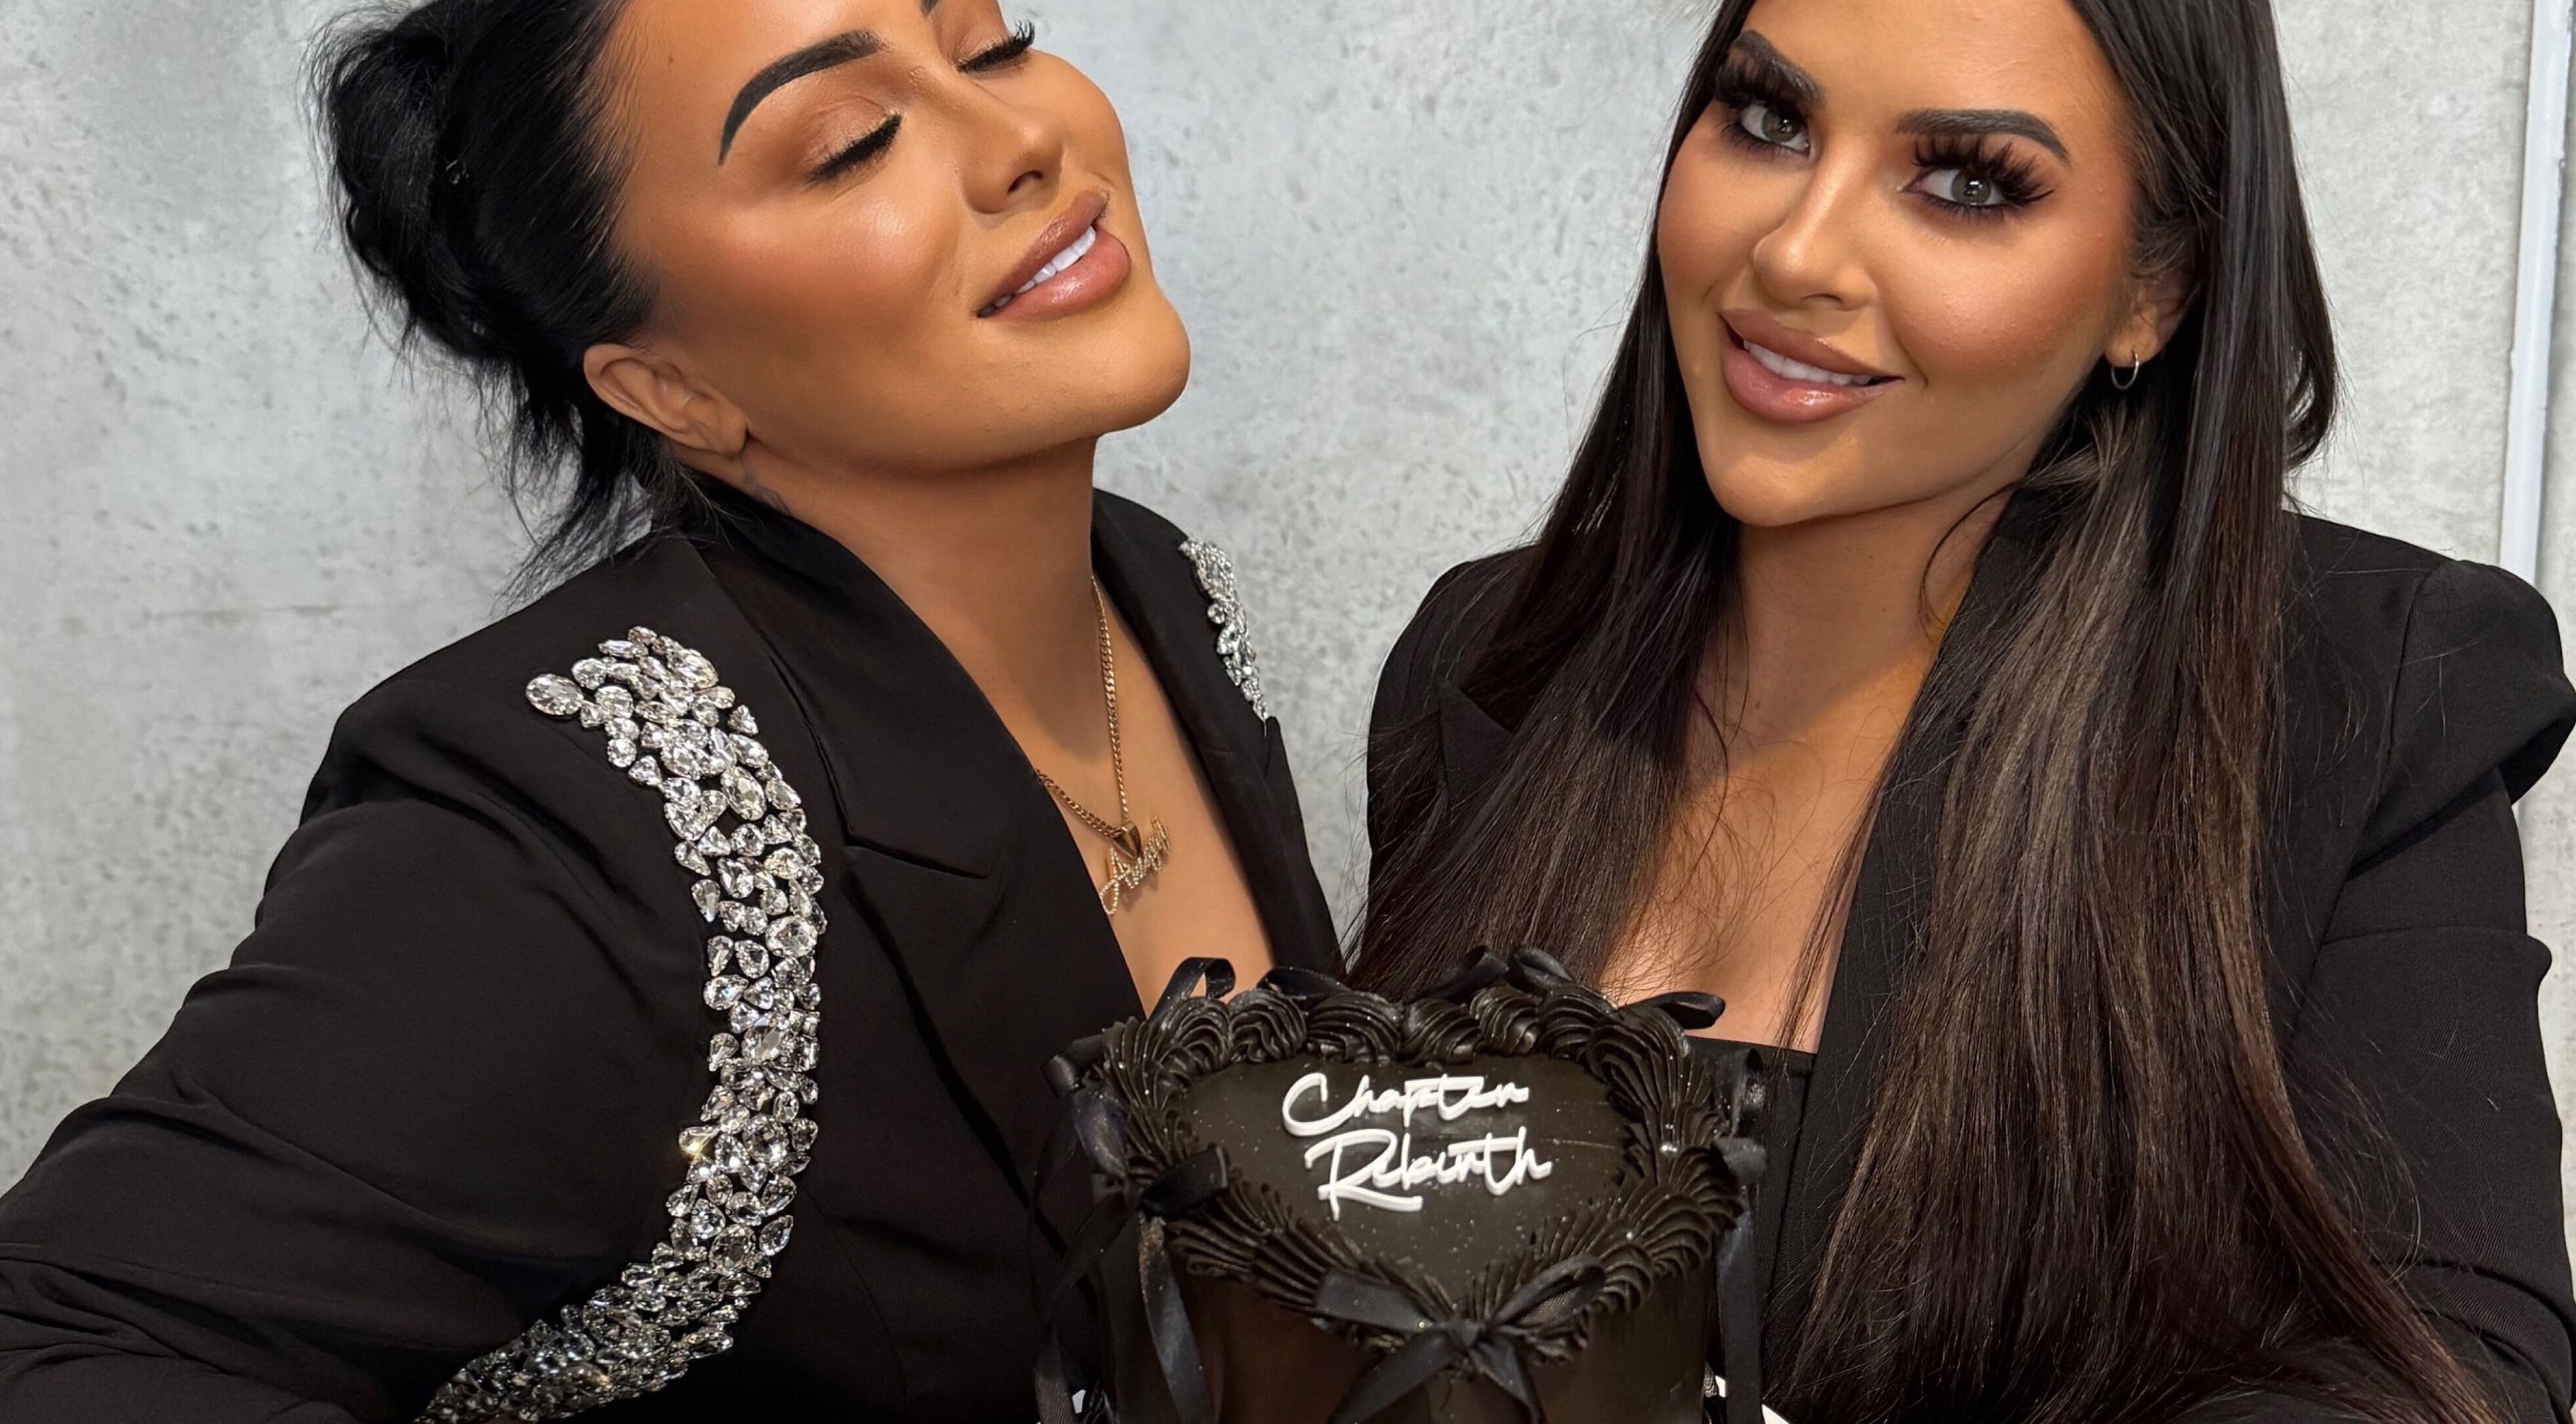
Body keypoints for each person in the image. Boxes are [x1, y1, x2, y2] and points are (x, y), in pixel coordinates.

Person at [0, 0, 1338, 1419]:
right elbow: (50, 1347)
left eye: (988, 43)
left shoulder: (1157, 588)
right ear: (669, 387)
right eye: (851, 142)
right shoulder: (562, 817)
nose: (1022, 138)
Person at [1358, 1, 2573, 1422]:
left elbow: (2447, 1378)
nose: (1798, 252)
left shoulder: (2354, 694)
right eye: (1767, 119)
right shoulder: (1489, 656)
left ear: (2158, 288)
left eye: (1966, 183)